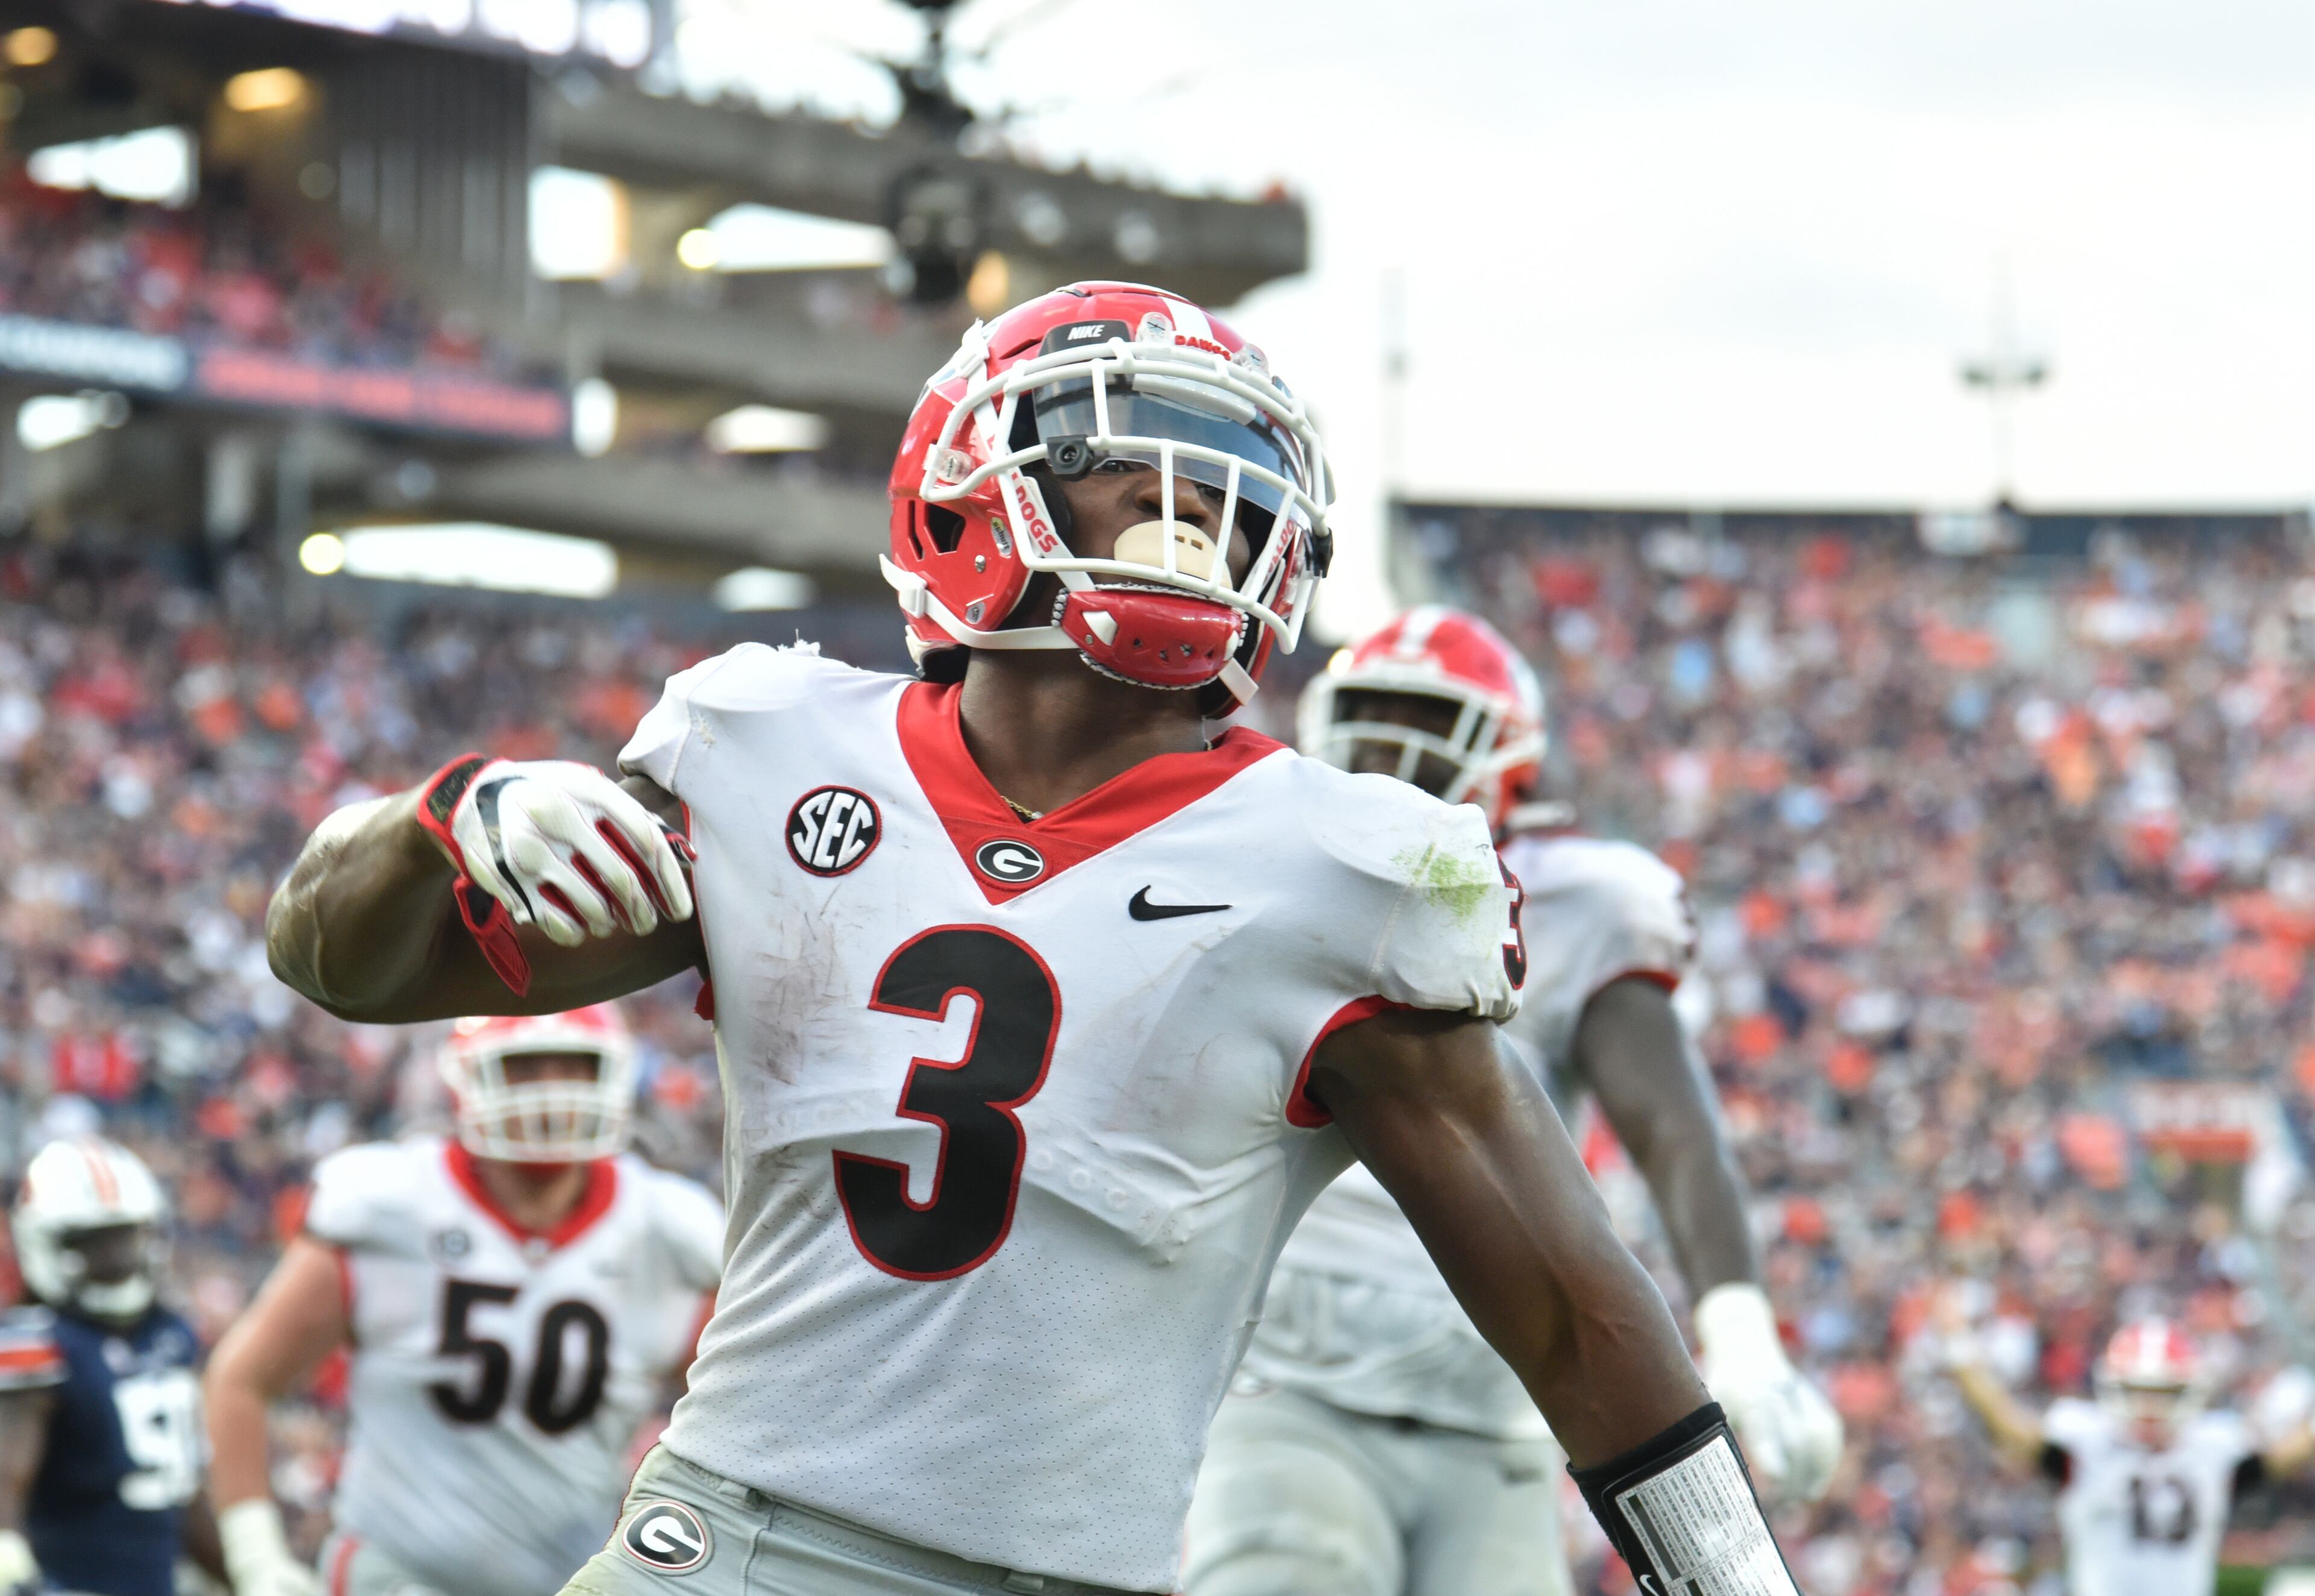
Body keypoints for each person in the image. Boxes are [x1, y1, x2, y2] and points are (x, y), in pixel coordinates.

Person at [263, 281, 1804, 1596]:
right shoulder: (770, 744)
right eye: (1130, 463)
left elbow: (1567, 1310)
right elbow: (335, 959)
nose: (1187, 508)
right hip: (741, 1541)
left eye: (1225, 483)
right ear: (964, 485)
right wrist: (443, 816)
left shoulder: (1341, 865)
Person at [1179, 606, 1841, 1596]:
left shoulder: (1578, 899)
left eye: (1425, 717)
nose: (1389, 747)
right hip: (1291, 1385)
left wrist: (1739, 1324)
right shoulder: (1257, 856)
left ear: (1514, 767)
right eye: (1372, 711)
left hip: (1496, 1403)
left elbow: (1669, 1125)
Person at [203, 1005, 723, 1596]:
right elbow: (240, 1380)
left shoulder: (668, 1229)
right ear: (467, 1079)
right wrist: (258, 1560)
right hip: (394, 1569)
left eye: (572, 1066)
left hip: (578, 1576)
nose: (550, 1092)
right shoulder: (391, 1205)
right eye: (526, 1068)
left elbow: (748, 1419)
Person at [1947, 1310, 2315, 1596]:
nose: (2149, 1408)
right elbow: (2008, 1425)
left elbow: (2288, 1453)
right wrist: (1959, 1348)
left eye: (2164, 1393)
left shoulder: (2212, 1449)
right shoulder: (2085, 1444)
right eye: (2137, 1391)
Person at [0, 1135, 218, 1596]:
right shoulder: (35, 1340)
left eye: (127, 1237)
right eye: (94, 1243)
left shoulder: (170, 1333)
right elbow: (7, 1474)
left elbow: (186, 1497)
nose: (118, 1257)